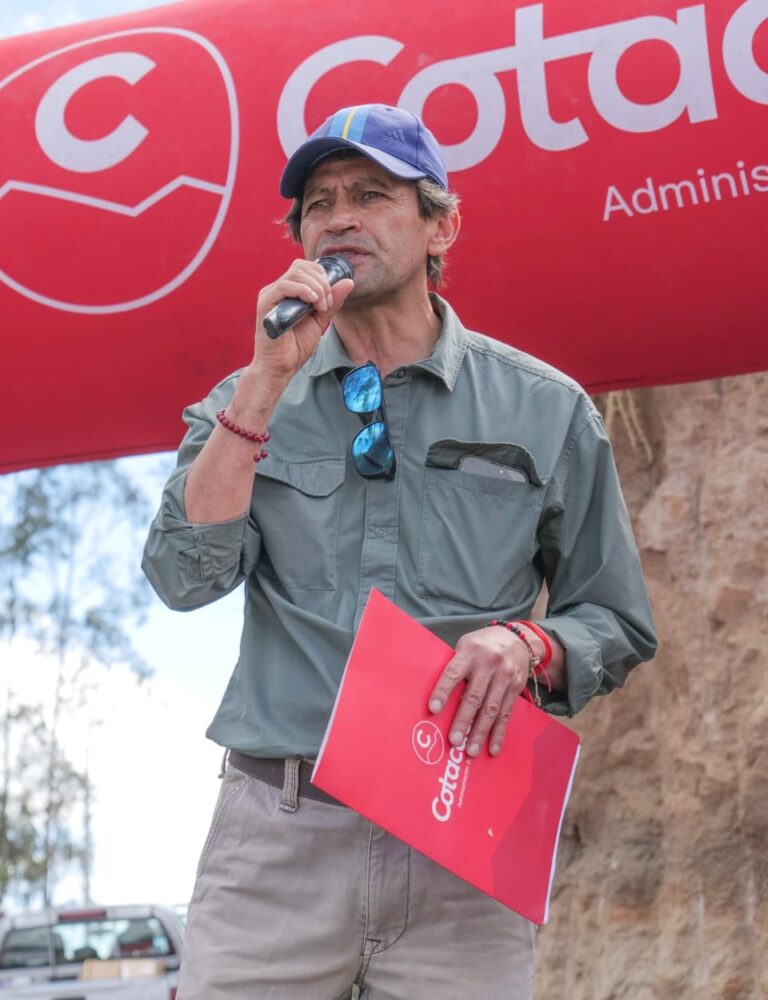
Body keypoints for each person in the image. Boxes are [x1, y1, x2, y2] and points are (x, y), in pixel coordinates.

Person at [141, 103, 657, 999]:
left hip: (461, 834)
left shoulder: (546, 410)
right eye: (319, 203)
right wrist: (264, 385)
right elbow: (185, 578)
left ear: (440, 227)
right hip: (279, 838)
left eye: (372, 195)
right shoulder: (245, 399)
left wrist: (530, 643)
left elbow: (615, 619)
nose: (339, 217)